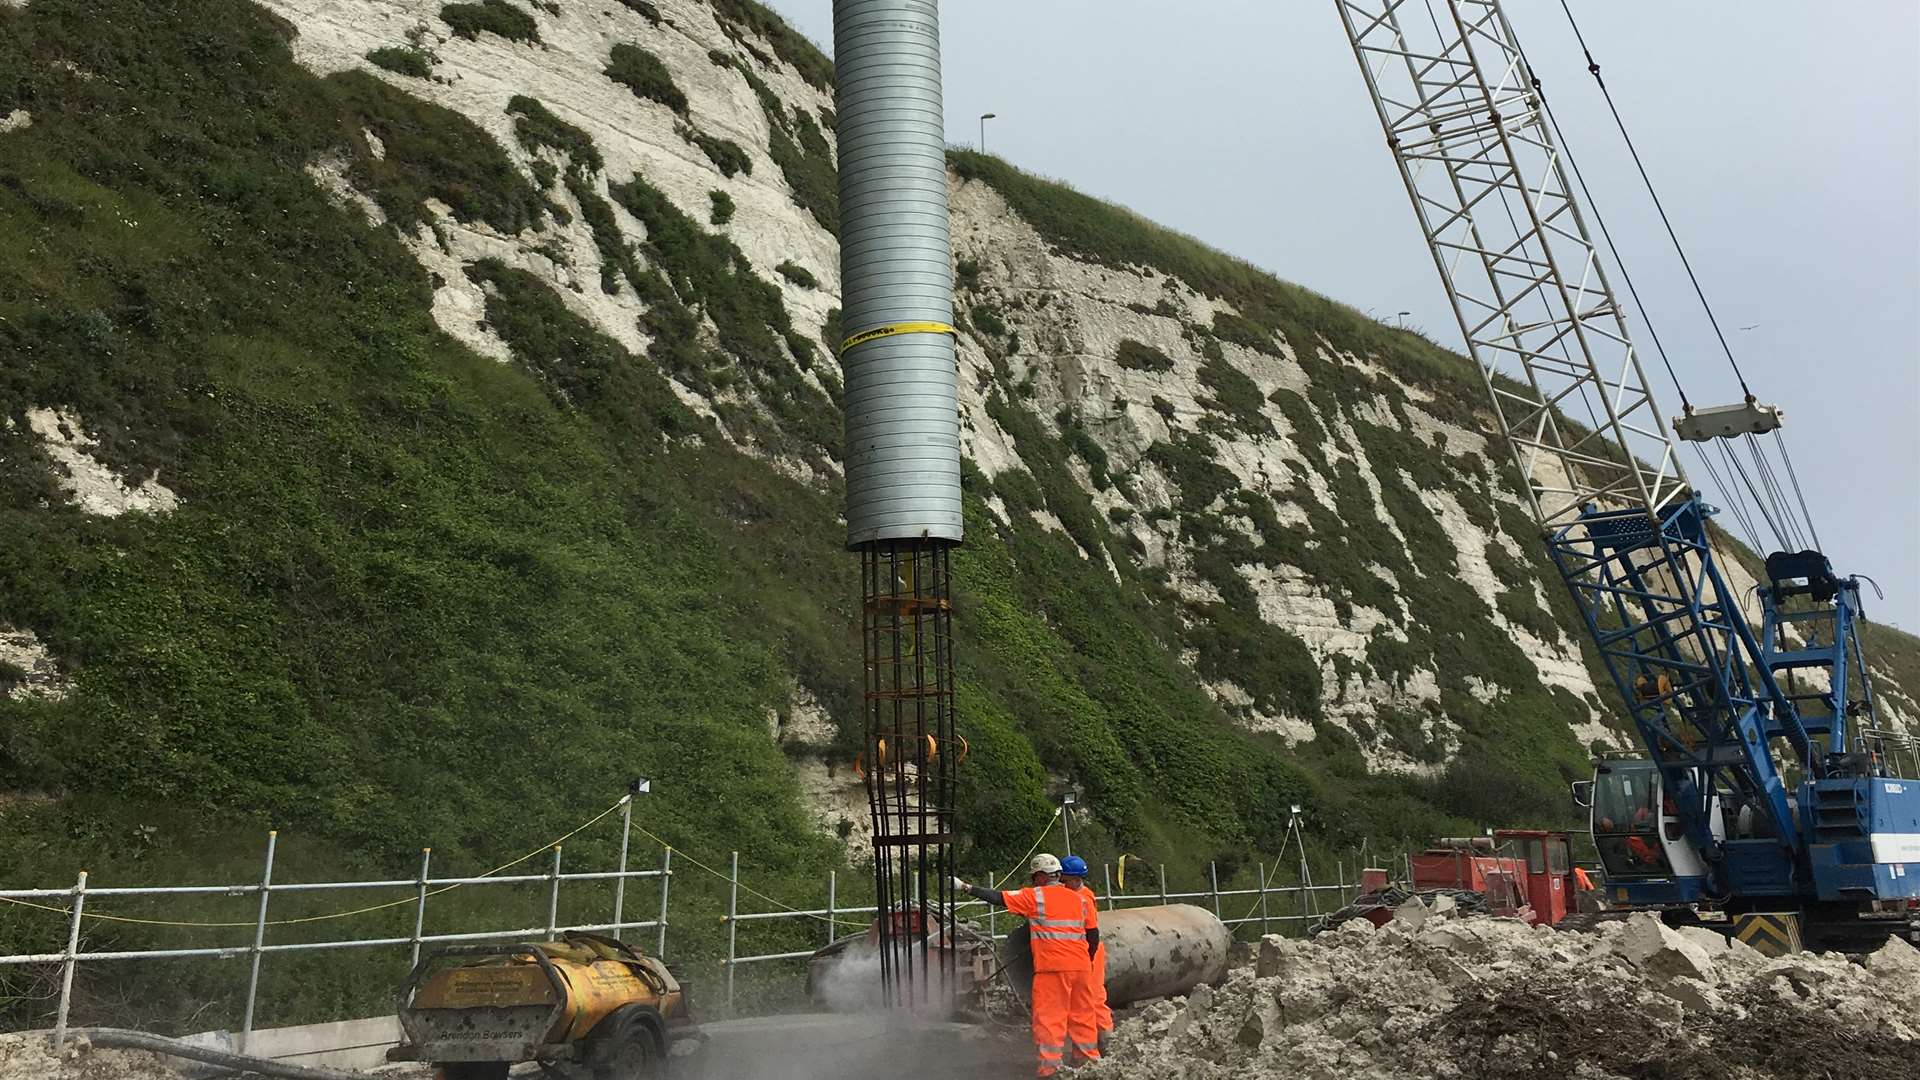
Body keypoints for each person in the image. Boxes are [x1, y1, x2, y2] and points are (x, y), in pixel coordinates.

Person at [955, 854, 1098, 1077]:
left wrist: (965, 887)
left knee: (1050, 1018)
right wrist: (1085, 962)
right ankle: (1087, 1061)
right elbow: (1093, 936)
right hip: (1081, 967)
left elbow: (998, 897)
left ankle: (1051, 1068)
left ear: (1040, 877)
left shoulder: (1035, 897)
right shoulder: (1080, 899)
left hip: (1052, 968)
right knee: (1083, 1014)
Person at [1057, 855, 1110, 1063]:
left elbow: (1091, 933)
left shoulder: (1082, 898)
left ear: (1075, 879)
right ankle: (1090, 1047)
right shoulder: (1077, 893)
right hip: (1081, 951)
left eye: (1065, 879)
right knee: (1084, 1001)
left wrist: (1086, 959)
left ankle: (1105, 1041)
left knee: (1094, 998)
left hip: (1089, 952)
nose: (1062, 883)